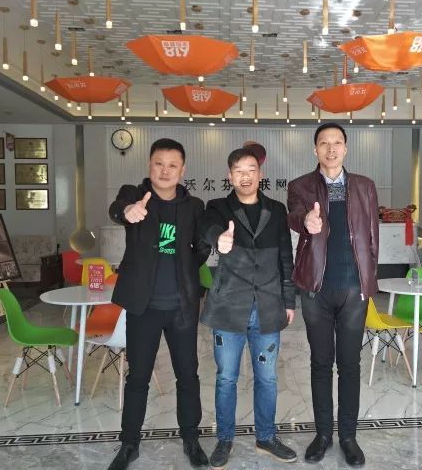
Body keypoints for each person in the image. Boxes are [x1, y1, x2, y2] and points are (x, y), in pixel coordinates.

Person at [106, 138, 211, 470]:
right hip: (144, 307)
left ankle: (191, 439)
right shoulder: (134, 194)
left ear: (183, 170)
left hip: (181, 307)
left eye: (172, 165)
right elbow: (117, 208)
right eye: (159, 164)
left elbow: (202, 247)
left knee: (188, 375)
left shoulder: (194, 206)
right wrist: (128, 211)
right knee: (138, 377)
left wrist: (185, 268)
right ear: (149, 165)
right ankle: (129, 444)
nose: (165, 171)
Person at [287, 123, 380, 467]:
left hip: (354, 289)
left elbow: (372, 237)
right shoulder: (300, 186)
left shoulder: (365, 186)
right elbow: (294, 216)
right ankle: (323, 434)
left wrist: (368, 281)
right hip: (316, 290)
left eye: (337, 142)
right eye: (324, 143)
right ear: (315, 149)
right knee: (321, 363)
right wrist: (306, 221)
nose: (330, 149)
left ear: (345, 148)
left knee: (350, 364)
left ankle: (348, 437)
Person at [200, 146, 297, 469]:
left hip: (267, 306)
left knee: (267, 378)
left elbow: (285, 257)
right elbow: (207, 228)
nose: (245, 176)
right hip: (229, 306)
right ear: (230, 176)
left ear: (260, 174)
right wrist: (219, 238)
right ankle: (225, 439)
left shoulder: (276, 210)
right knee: (226, 378)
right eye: (238, 171)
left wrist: (289, 300)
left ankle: (266, 437)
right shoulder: (217, 207)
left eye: (251, 170)